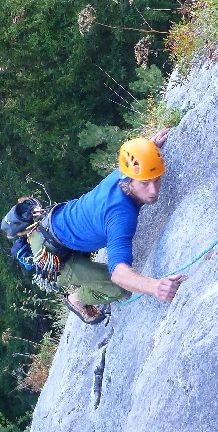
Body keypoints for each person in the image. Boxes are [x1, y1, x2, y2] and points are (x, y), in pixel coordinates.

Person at [28, 128, 185, 324]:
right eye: (145, 183)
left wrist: (148, 150)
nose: (153, 190)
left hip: (53, 227)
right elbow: (119, 274)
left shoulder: (125, 172)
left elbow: (134, 161)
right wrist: (155, 287)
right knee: (117, 289)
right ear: (130, 180)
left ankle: (84, 275)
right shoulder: (121, 215)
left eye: (157, 180)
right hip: (52, 255)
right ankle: (76, 299)